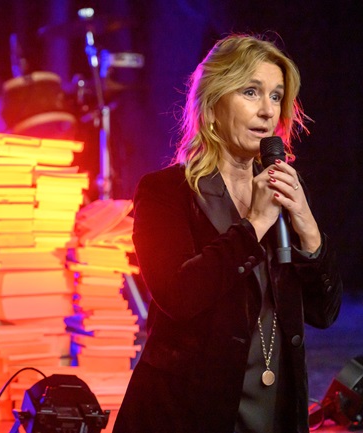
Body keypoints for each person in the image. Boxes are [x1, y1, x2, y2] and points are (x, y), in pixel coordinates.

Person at [113, 34, 343, 433]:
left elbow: (324, 312)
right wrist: (254, 225)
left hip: (274, 408)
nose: (267, 110)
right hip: (188, 411)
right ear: (213, 104)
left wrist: (307, 225)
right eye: (251, 92)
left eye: (276, 96)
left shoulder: (281, 191)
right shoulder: (165, 192)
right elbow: (179, 296)